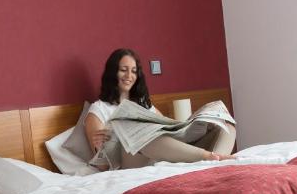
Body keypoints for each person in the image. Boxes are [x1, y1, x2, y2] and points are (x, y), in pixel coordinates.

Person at [84, 48, 236, 169]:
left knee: (226, 125)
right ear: (113, 72)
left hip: (161, 157)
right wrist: (99, 146)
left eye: (134, 71)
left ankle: (214, 165)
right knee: (142, 135)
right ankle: (207, 157)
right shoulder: (98, 109)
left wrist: (192, 124)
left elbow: (167, 132)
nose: (129, 75)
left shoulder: (144, 104)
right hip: (131, 161)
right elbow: (103, 167)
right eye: (123, 70)